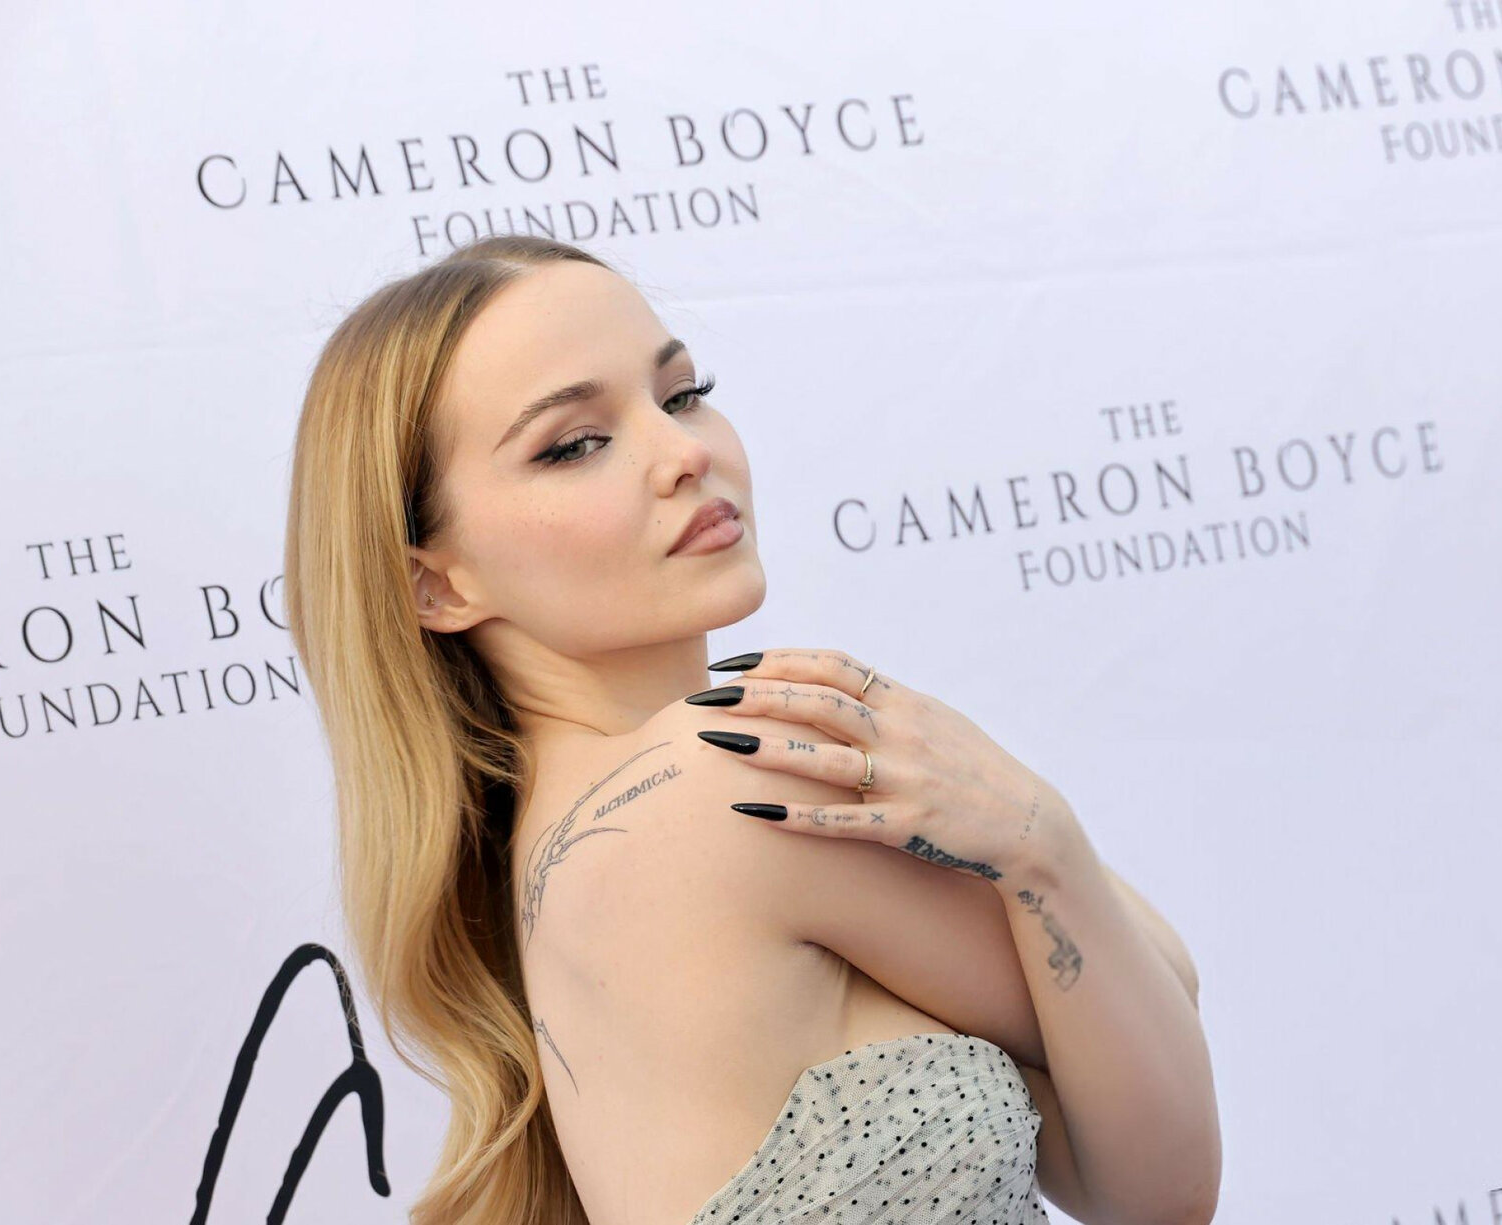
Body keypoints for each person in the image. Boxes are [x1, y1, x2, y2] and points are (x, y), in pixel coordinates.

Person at [282, 234, 1221, 1225]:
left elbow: (1135, 1156)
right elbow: (1159, 1107)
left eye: (682, 394)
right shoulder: (714, 785)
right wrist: (1035, 833)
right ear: (435, 582)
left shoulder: (559, 860)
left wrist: (1035, 843)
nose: (685, 453)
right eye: (575, 443)